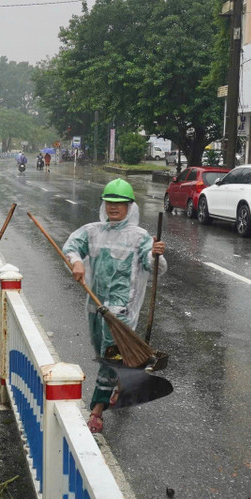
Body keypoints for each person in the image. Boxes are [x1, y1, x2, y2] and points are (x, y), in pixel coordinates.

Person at [63, 178, 166, 433]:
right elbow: (71, 246)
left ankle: (97, 410)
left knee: (109, 358)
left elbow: (154, 268)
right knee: (104, 353)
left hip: (122, 312)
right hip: (95, 306)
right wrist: (76, 262)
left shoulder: (140, 237)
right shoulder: (92, 231)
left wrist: (155, 254)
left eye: (119, 203)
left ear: (130, 206)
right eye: (109, 202)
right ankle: (124, 379)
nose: (113, 207)